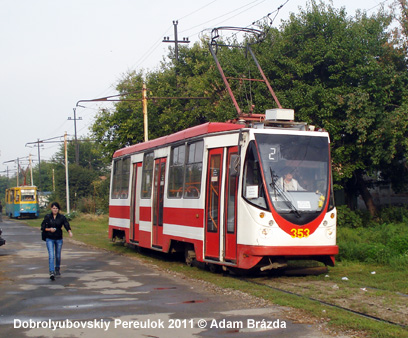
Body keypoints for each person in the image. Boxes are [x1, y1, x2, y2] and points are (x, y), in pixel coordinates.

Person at [41, 202, 73, 280]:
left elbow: (66, 224)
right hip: (49, 238)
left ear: (58, 209)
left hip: (58, 238)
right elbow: (43, 227)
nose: (55, 210)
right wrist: (49, 229)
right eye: (53, 208)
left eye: (56, 208)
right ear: (51, 209)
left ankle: (57, 268)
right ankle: (51, 271)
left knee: (58, 255)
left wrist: (69, 231)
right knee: (51, 255)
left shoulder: (61, 217)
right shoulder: (48, 217)